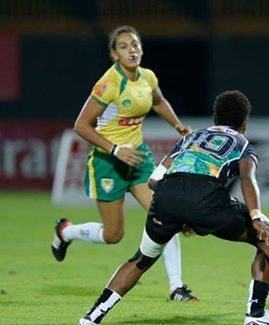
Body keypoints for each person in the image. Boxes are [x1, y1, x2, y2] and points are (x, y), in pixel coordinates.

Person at [77, 90, 269, 325]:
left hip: (165, 196)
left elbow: (153, 180)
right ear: (244, 121)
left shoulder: (191, 138)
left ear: (215, 118)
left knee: (141, 258)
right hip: (205, 198)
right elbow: (247, 178)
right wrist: (256, 216)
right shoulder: (242, 143)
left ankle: (91, 317)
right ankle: (257, 314)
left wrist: (180, 210)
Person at [50, 25, 197, 302]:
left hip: (138, 160)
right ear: (114, 54)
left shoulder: (147, 77)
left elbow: (159, 101)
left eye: (136, 44)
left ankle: (177, 287)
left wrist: (178, 126)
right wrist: (115, 149)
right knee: (113, 234)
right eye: (124, 46)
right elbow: (81, 126)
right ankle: (66, 231)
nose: (132, 50)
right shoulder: (108, 84)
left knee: (166, 215)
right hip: (108, 163)